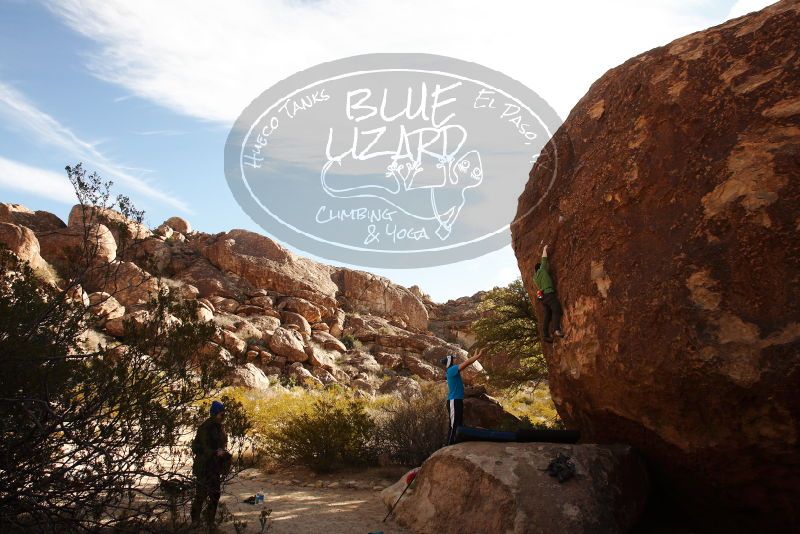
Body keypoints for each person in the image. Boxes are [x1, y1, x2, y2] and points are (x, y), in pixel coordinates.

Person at [191, 400, 231, 527]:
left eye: (223, 414)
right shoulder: (205, 427)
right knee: (201, 495)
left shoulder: (220, 427)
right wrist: (215, 453)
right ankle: (195, 521)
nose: (223, 416)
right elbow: (200, 447)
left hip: (214, 467)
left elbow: (222, 443)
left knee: (215, 494)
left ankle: (210, 521)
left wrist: (223, 454)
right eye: (221, 414)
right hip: (204, 466)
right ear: (215, 414)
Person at [440, 352, 483, 445]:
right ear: (450, 362)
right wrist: (477, 356)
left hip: (457, 401)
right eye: (453, 359)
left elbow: (466, 362)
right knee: (453, 425)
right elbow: (466, 363)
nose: (455, 360)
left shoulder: (451, 370)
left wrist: (474, 356)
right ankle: (449, 446)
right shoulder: (452, 369)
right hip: (453, 401)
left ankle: (455, 443)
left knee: (458, 424)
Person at [533, 244, 565, 343]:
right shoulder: (542, 270)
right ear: (540, 268)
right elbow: (544, 259)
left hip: (543, 298)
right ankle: (556, 329)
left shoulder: (535, 278)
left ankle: (546, 335)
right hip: (549, 293)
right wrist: (544, 248)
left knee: (547, 315)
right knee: (557, 309)